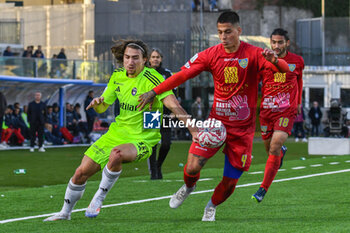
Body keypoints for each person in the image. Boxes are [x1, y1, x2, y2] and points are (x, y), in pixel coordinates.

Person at [138, 11, 289, 221]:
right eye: (220, 32)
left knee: (229, 183)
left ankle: (211, 205)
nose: (223, 37)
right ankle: (188, 187)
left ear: (239, 31)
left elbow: (283, 71)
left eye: (228, 32)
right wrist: (154, 91)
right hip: (215, 123)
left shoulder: (254, 54)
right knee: (191, 167)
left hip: (242, 131)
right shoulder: (211, 54)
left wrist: (275, 60)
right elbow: (182, 75)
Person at [44, 39, 196, 221]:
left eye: (135, 58)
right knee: (80, 173)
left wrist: (194, 131)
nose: (130, 62)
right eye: (127, 58)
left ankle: (99, 197)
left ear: (145, 60)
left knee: (116, 154)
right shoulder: (117, 76)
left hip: (143, 137)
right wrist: (97, 104)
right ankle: (65, 213)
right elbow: (104, 105)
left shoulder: (154, 79)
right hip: (116, 133)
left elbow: (175, 106)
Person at [252, 28, 305, 203]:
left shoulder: (297, 61)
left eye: (280, 42)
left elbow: (299, 80)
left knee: (274, 147)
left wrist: (298, 102)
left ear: (287, 43)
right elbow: (255, 82)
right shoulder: (263, 60)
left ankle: (262, 189)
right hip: (267, 111)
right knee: (270, 151)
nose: (276, 45)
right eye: (273, 42)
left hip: (286, 111)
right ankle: (280, 152)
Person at [148, 48, 174, 179]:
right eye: (153, 57)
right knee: (152, 144)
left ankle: (158, 165)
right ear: (149, 59)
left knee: (166, 144)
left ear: (161, 59)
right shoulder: (144, 73)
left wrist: (174, 110)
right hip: (151, 113)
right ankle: (153, 172)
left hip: (166, 113)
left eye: (157, 57)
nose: (155, 59)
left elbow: (174, 93)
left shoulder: (167, 73)